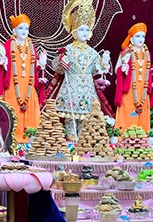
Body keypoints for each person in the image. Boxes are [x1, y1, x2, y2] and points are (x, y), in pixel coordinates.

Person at [54, 0, 111, 138]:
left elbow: (97, 70)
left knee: (86, 121)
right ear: (74, 31)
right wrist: (61, 61)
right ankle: (71, 141)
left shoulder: (93, 53)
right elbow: (57, 67)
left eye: (87, 29)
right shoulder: (67, 50)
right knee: (70, 120)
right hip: (71, 87)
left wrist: (104, 63)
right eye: (81, 29)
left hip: (87, 89)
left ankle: (82, 142)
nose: (84, 32)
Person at [0, 14, 46, 143]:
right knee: (13, 108)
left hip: (28, 86)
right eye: (21, 28)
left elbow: (33, 67)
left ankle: (30, 138)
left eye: (26, 28)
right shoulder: (8, 45)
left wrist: (40, 64)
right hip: (13, 85)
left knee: (30, 109)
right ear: (14, 31)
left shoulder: (31, 46)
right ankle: (12, 138)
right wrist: (3, 63)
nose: (24, 31)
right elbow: (2, 64)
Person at [114, 23, 153, 132]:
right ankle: (125, 133)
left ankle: (141, 134)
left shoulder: (147, 53)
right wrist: (123, 69)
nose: (141, 39)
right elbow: (117, 69)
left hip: (143, 89)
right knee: (129, 110)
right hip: (130, 88)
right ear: (131, 39)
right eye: (138, 36)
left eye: (143, 36)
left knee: (141, 110)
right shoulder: (126, 52)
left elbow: (147, 69)